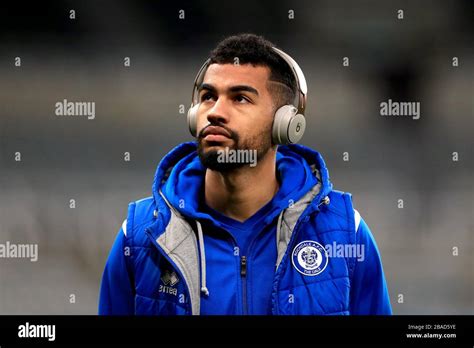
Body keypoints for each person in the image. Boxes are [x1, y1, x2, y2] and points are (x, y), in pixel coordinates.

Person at [99, 33, 392, 315]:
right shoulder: (141, 236)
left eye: (240, 98)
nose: (215, 112)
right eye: (208, 96)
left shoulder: (344, 232)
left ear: (285, 123)